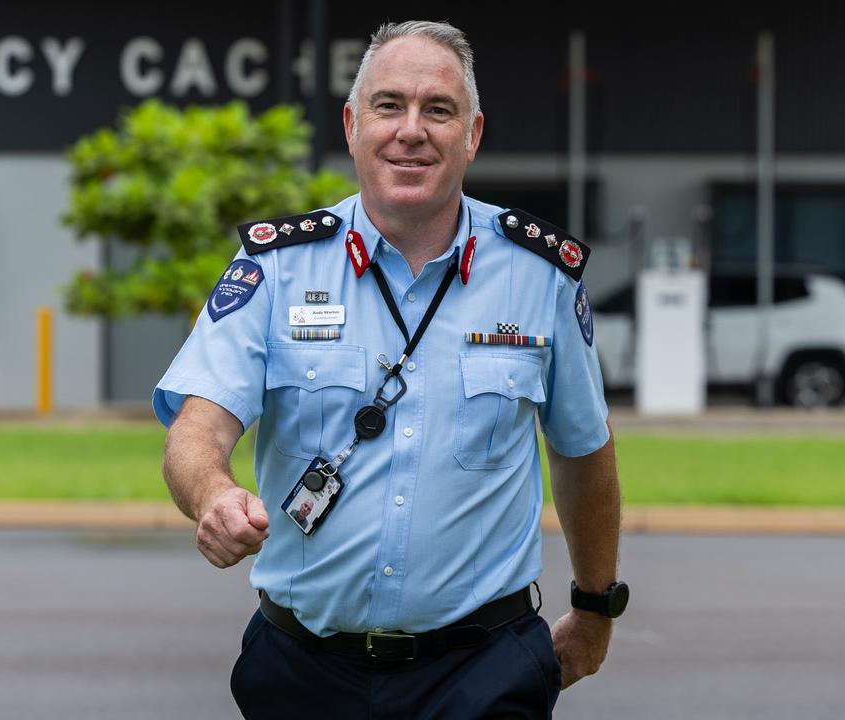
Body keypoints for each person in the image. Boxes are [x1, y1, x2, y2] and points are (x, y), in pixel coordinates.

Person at [154, 19, 625, 719]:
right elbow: (198, 428)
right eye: (388, 105)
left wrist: (594, 606)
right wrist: (213, 494)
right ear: (352, 124)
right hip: (303, 671)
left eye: (439, 109)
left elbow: (583, 450)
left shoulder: (540, 277)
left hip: (484, 670)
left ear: (472, 135)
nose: (412, 130)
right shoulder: (276, 268)